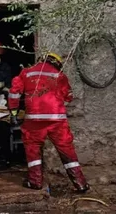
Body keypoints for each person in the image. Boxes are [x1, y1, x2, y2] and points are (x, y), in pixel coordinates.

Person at [8, 52, 89, 192]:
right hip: (57, 120)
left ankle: (35, 182)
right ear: (56, 63)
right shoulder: (59, 75)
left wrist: (14, 113)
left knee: (33, 149)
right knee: (67, 150)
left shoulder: (26, 73)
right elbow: (68, 96)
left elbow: (14, 93)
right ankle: (80, 184)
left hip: (34, 120)